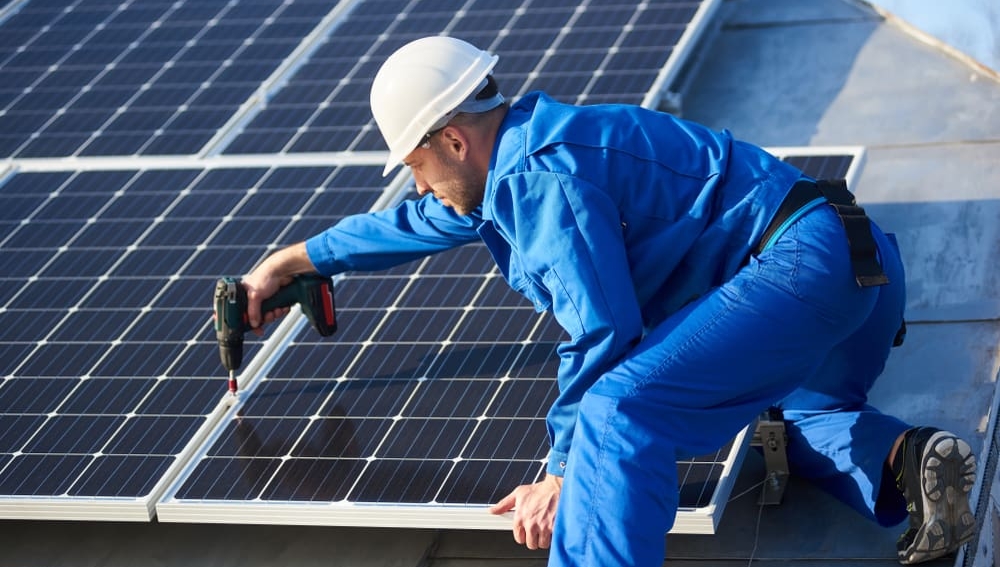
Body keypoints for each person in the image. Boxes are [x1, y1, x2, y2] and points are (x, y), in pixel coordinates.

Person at [240, 36, 977, 566]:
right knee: (787, 420)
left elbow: (602, 331)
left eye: (416, 166)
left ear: (452, 140)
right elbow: (410, 223)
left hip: (799, 269)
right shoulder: (522, 153)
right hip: (857, 267)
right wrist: (294, 261)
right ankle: (906, 461)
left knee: (616, 411)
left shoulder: (540, 175)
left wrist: (563, 472)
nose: (418, 184)